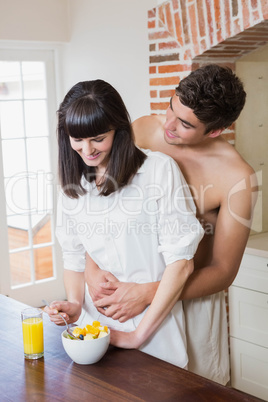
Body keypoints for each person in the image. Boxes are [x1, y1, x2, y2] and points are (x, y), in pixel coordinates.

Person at [84, 64, 258, 385]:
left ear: (216, 130)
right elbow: (102, 205)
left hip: (189, 306)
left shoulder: (238, 179)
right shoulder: (144, 131)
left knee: (185, 391)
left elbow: (223, 271)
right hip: (123, 292)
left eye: (185, 124)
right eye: (170, 107)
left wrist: (150, 293)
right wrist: (91, 268)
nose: (168, 125)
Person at [46, 79, 204, 368]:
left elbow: (181, 264)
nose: (87, 149)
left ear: (118, 129)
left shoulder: (158, 171)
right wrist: (75, 305)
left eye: (97, 138)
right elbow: (74, 254)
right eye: (77, 139)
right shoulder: (73, 184)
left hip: (153, 331)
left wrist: (136, 337)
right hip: (93, 335)